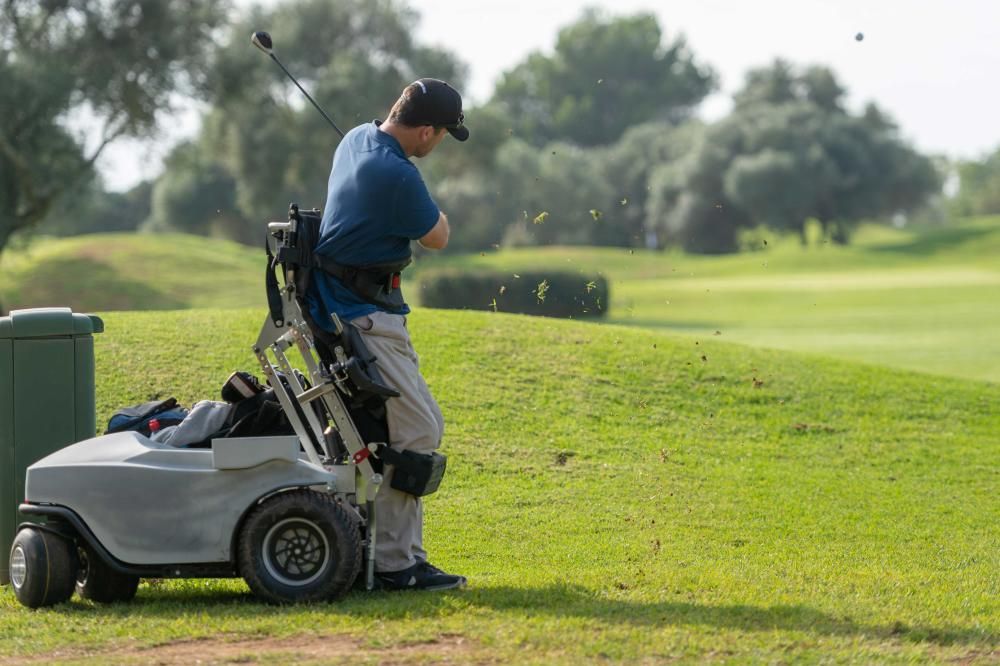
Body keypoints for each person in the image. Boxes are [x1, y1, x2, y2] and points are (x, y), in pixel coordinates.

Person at [306, 78, 468, 591]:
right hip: (364, 319)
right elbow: (438, 237)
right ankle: (398, 565)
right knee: (420, 430)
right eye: (441, 133)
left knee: (398, 429)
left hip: (345, 312)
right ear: (424, 131)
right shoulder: (398, 175)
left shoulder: (356, 137)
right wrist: (431, 209)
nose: (438, 142)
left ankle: (377, 549)